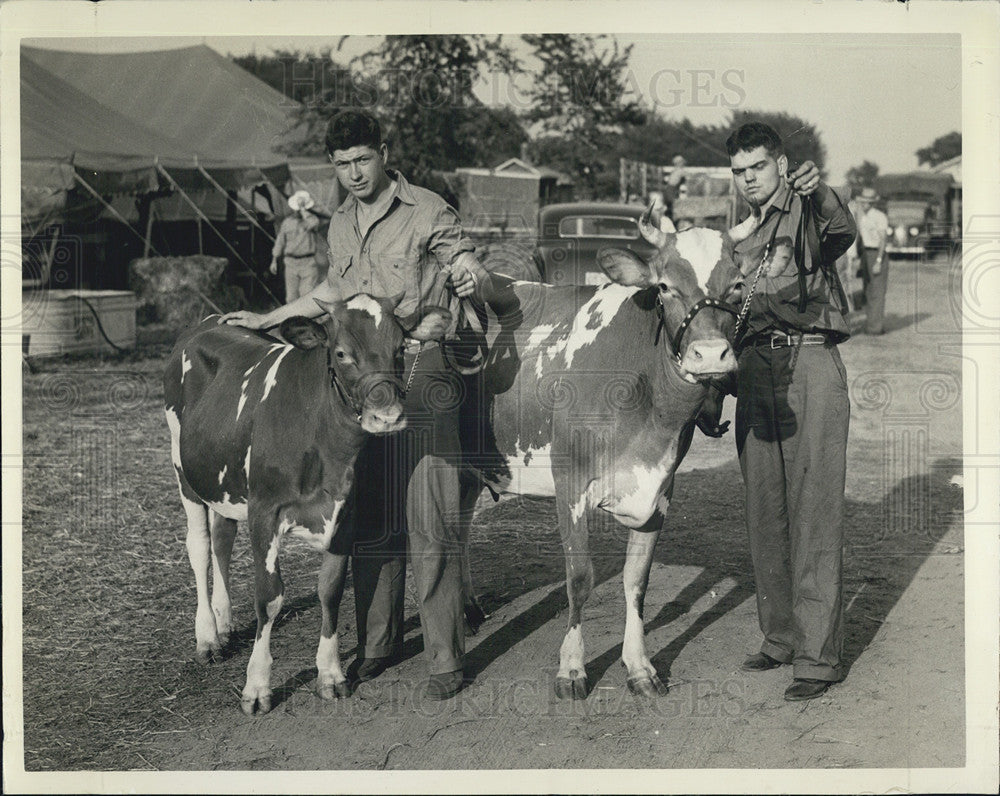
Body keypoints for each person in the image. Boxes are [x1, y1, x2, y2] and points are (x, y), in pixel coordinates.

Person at [219, 110, 493, 701]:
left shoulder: (427, 209)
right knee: (367, 512)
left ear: (384, 153)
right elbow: (331, 295)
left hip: (422, 367)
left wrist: (472, 277)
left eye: (362, 160)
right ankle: (378, 641)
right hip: (361, 385)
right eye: (342, 165)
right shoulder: (340, 221)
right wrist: (269, 318)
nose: (353, 174)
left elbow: (466, 264)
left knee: (428, 512)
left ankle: (444, 655)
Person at [725, 122, 856, 702]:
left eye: (756, 166)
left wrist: (819, 190)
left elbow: (839, 229)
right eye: (739, 170)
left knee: (814, 512)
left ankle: (817, 658)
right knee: (765, 510)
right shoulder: (740, 230)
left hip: (809, 365)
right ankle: (780, 637)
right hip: (755, 370)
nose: (748, 178)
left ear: (779, 163)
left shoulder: (806, 205)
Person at [270, 190, 323, 303]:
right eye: (297, 205)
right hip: (290, 263)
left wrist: (303, 209)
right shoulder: (287, 222)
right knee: (291, 298)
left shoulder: (312, 219)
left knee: (307, 295)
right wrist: (274, 260)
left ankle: (309, 320)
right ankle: (295, 320)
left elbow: (312, 224)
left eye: (302, 205)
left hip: (308, 263)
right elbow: (280, 241)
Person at [853, 186, 890, 334]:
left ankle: (876, 328)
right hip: (865, 253)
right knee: (868, 290)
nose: (864, 204)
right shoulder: (862, 216)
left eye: (867, 202)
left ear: (873, 203)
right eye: (863, 202)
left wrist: (879, 261)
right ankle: (870, 324)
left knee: (877, 291)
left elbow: (883, 241)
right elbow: (859, 236)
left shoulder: (880, 216)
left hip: (877, 253)